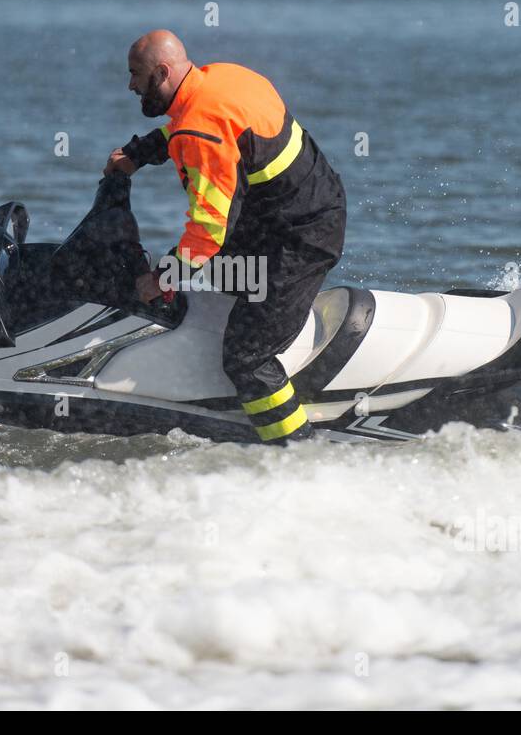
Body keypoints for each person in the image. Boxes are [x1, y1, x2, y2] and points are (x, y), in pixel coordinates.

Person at [104, 30, 346, 443]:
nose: (130, 85)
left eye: (135, 75)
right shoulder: (220, 79)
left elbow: (208, 231)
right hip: (288, 216)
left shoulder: (199, 129)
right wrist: (138, 154)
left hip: (300, 240)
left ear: (162, 72)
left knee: (246, 358)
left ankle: (299, 450)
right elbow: (187, 128)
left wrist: (160, 278)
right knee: (218, 276)